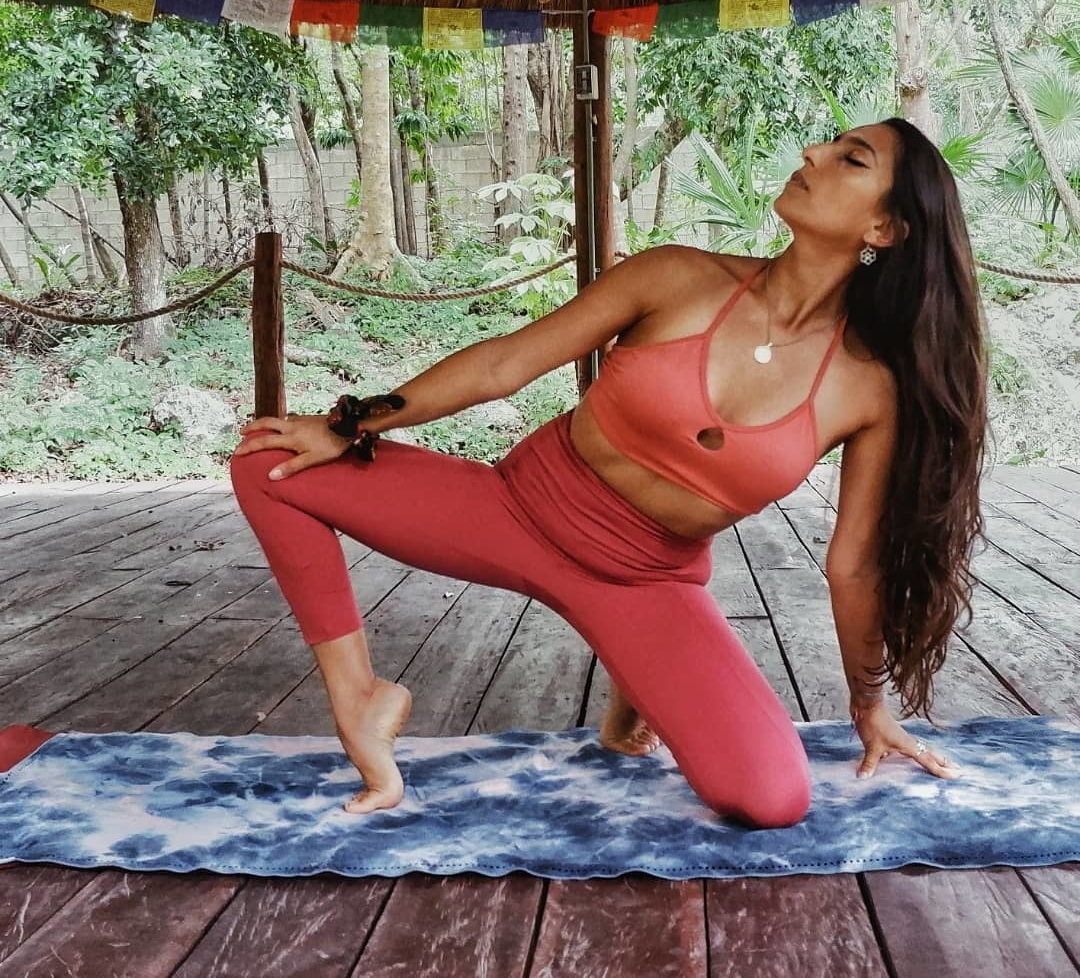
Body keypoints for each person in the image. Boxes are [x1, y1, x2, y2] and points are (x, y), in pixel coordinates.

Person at [230, 118, 987, 829]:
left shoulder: (868, 387)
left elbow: (853, 564)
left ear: (884, 229)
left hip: (645, 583)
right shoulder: (677, 276)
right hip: (513, 510)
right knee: (269, 462)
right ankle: (359, 698)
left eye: (852, 159)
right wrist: (350, 423)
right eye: (826, 143)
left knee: (772, 800)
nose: (814, 154)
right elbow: (503, 365)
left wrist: (868, 706)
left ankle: (637, 685)